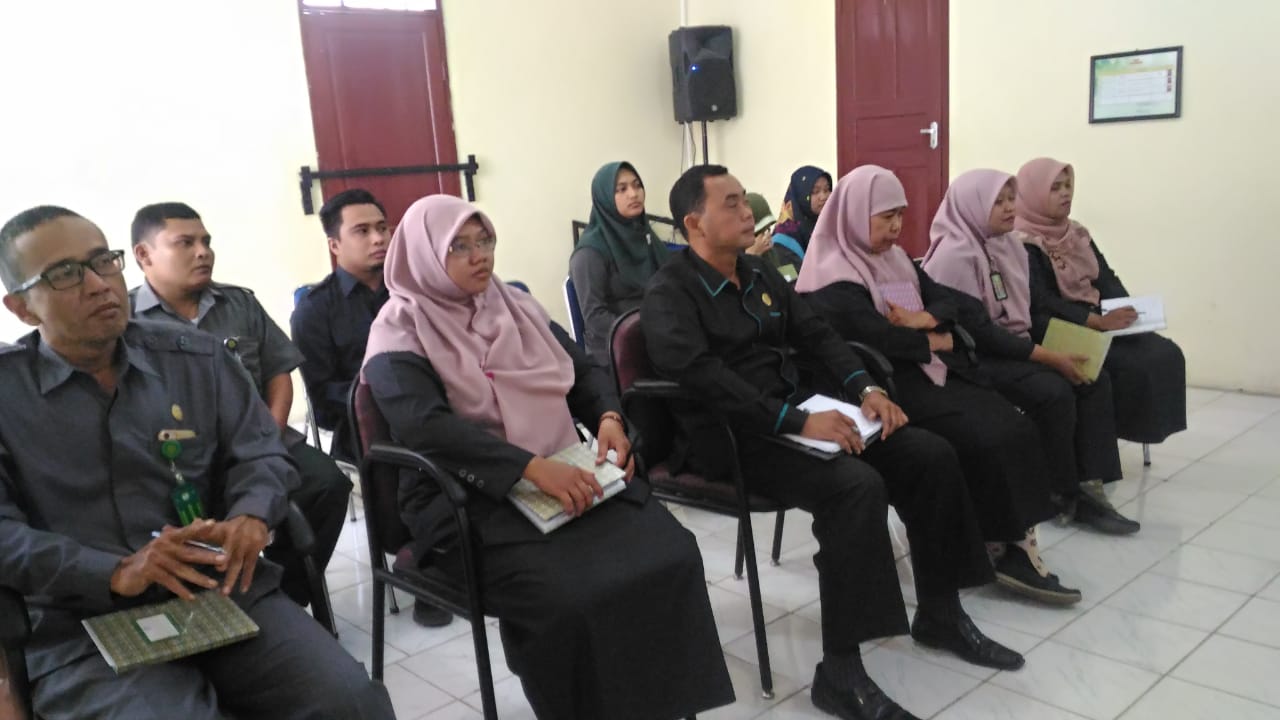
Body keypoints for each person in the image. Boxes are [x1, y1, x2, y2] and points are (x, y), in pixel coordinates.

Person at [644, 165, 1022, 720]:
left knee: (928, 455)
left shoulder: (758, 271)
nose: (748, 211)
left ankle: (940, 611)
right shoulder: (670, 293)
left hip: (795, 413)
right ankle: (840, 672)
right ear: (694, 223)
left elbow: (817, 334)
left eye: (745, 200)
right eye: (732, 204)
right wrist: (795, 421)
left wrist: (866, 389)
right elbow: (703, 379)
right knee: (854, 487)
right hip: (730, 435)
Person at [0, 205, 394, 720]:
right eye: (66, 274)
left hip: (218, 589)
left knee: (352, 702)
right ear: (22, 308)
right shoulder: (9, 394)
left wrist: (252, 514)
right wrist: (115, 571)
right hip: (81, 620)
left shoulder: (197, 359)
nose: (98, 285)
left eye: (103, 262)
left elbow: (260, 451)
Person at [362, 194, 734, 720]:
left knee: (672, 554)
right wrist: (529, 468)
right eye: (459, 247)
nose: (480, 256)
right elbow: (427, 427)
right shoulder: (399, 329)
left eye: (485, 240)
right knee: (570, 597)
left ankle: (663, 706)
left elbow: (581, 370)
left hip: (560, 469)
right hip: (464, 495)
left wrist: (608, 417)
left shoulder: (514, 305)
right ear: (423, 255)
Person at [797, 165, 1081, 604]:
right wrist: (935, 338)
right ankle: (1000, 545)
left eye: (900, 215)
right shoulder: (831, 276)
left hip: (926, 370)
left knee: (1012, 425)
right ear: (854, 214)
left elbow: (951, 302)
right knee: (988, 434)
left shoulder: (895, 259)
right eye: (885, 216)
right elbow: (876, 337)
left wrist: (926, 319)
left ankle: (1006, 540)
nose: (897, 227)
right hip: (882, 384)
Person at [128, 203, 351, 611]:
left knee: (327, 484)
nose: (203, 252)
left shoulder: (239, 305)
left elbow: (278, 372)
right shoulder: (126, 323)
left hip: (257, 441)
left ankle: (284, 595)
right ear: (144, 255)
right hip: (173, 458)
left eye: (206, 241)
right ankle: (201, 608)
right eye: (185, 243)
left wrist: (269, 436)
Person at [922, 169, 1138, 535]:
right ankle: (1060, 491)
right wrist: (1049, 357)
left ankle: (1089, 483)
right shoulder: (954, 255)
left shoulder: (1007, 245)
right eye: (999, 202)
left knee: (1091, 375)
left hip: (1012, 344)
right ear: (974, 206)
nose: (1010, 208)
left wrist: (1069, 343)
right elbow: (980, 333)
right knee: (1052, 390)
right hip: (972, 358)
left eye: (1012, 199)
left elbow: (1032, 309)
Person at [1015, 157, 1187, 447]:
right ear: (1033, 194)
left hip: (1098, 318)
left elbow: (1105, 277)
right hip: (1060, 327)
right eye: (1055, 188)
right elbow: (1041, 301)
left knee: (1165, 353)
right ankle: (1108, 440)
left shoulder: (1076, 233)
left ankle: (1133, 431)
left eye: (1068, 186)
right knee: (1131, 367)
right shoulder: (1022, 242)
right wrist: (1095, 321)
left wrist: (1123, 309)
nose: (1065, 193)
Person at [569, 161, 669, 371]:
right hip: (618, 352)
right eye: (621, 189)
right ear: (605, 197)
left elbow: (671, 284)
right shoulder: (589, 252)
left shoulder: (645, 235)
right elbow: (595, 318)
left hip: (660, 337)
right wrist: (648, 332)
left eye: (637, 185)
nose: (633, 194)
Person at [770, 165, 833, 269]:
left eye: (826, 190)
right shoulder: (782, 242)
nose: (823, 197)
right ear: (800, 196)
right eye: (815, 192)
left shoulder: (830, 226)